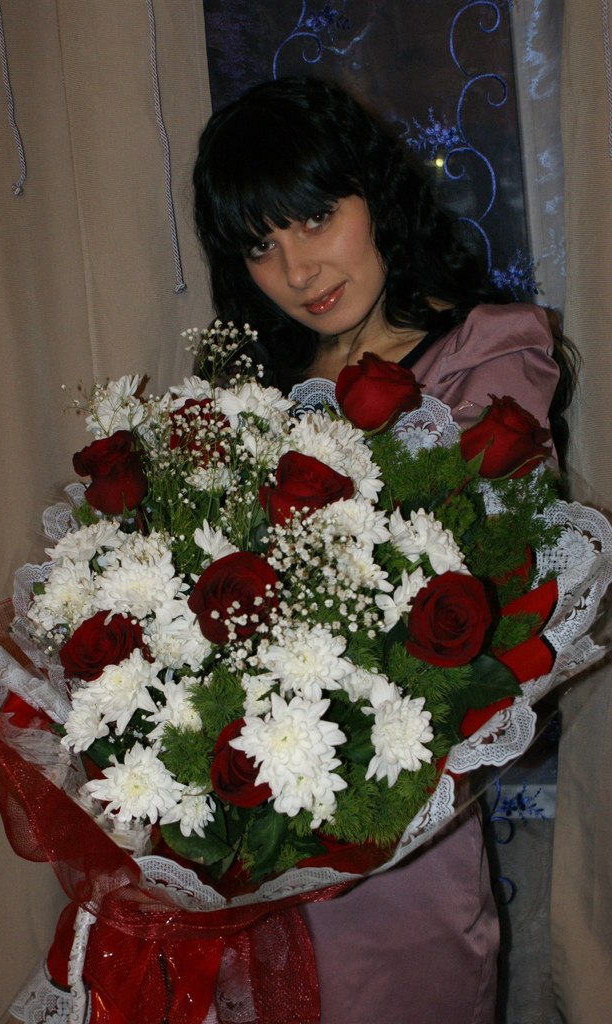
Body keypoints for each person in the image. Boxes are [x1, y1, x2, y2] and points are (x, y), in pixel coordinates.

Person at [193, 76, 575, 1024]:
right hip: (247, 839)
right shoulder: (250, 401)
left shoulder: (483, 358)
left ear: (373, 195)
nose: (298, 270)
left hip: (394, 846)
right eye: (260, 246)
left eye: (315, 218)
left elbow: (492, 595)